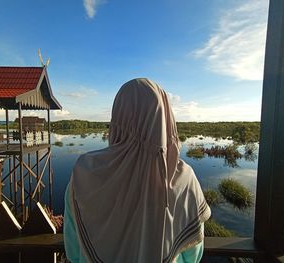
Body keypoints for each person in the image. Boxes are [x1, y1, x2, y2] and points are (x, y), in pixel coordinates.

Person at [64, 78, 211, 263]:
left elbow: (73, 252)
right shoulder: (183, 178)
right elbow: (193, 256)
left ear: (117, 117)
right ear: (165, 118)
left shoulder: (84, 173)